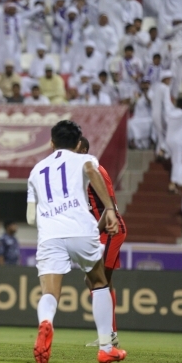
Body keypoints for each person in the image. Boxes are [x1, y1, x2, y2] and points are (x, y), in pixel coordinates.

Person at [26, 120, 123, 363]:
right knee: (99, 282)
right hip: (81, 229)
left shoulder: (36, 170)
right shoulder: (84, 159)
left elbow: (29, 216)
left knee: (49, 293)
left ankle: (46, 323)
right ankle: (106, 348)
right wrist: (110, 208)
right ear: (79, 143)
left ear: (51, 142)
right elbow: (92, 171)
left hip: (49, 234)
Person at [76, 136, 126, 349]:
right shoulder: (81, 175)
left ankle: (109, 334)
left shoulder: (95, 172)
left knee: (96, 281)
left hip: (110, 231)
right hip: (103, 233)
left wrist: (95, 234)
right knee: (102, 282)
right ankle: (109, 333)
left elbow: (110, 208)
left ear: (84, 150)